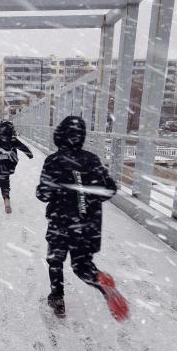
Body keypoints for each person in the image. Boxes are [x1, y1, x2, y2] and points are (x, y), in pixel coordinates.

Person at [36, 116, 129, 321]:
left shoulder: (53, 161)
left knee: (55, 260)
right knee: (81, 265)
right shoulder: (93, 160)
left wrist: (61, 191)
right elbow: (110, 189)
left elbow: (42, 194)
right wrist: (85, 197)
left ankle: (57, 298)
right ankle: (100, 282)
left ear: (59, 135)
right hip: (87, 225)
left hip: (60, 222)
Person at [0, 121, 33, 214]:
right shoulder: (13, 140)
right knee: (6, 177)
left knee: (3, 180)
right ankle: (6, 195)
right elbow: (23, 147)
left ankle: (6, 196)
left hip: (1, 165)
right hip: (11, 164)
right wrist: (29, 154)